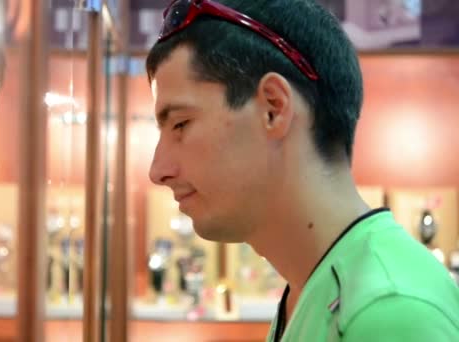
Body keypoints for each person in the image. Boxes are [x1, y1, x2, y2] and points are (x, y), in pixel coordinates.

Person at [145, 0, 459, 340]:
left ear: (273, 108)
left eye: (181, 124)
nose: (158, 170)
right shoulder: (319, 286)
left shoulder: (388, 311)